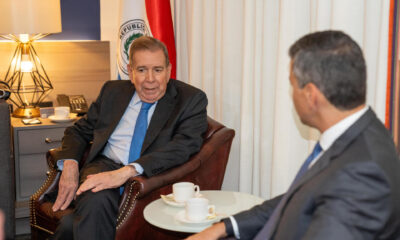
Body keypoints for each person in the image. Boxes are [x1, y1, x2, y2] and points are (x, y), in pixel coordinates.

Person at [187, 30, 400, 240]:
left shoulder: (363, 175)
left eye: (292, 85)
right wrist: (223, 227)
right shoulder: (360, 133)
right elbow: (300, 196)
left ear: (310, 95)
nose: (291, 95)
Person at [51, 36, 208, 240]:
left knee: (69, 226)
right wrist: (70, 166)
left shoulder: (190, 100)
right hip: (105, 166)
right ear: (130, 71)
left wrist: (128, 171)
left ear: (168, 70)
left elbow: (184, 146)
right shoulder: (112, 92)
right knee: (96, 198)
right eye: (142, 70)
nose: (150, 79)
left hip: (150, 177)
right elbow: (79, 131)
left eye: (158, 70)